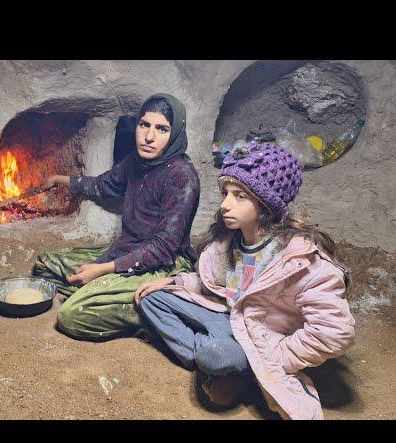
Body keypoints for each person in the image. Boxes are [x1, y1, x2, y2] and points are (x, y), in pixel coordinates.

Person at [135, 141, 355, 420]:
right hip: (225, 316)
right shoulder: (231, 241)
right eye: (225, 193)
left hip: (262, 337)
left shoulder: (301, 260)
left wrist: (277, 357)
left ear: (265, 202)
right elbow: (215, 286)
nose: (225, 205)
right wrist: (175, 284)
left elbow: (334, 332)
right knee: (152, 300)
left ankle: (229, 366)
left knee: (215, 355)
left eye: (239, 196)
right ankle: (233, 369)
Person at [32, 93, 200, 341]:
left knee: (70, 315)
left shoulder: (182, 177)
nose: (149, 136)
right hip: (126, 250)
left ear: (175, 133)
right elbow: (104, 185)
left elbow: (163, 248)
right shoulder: (137, 161)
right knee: (45, 266)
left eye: (162, 129)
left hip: (162, 265)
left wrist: (102, 270)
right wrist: (60, 179)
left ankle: (155, 311)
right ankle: (100, 295)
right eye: (144, 125)